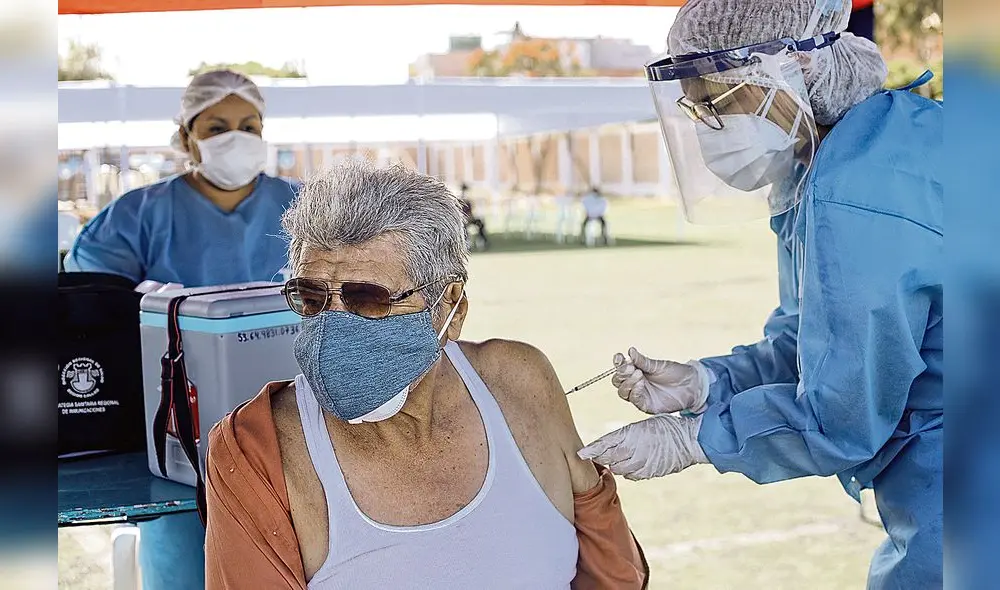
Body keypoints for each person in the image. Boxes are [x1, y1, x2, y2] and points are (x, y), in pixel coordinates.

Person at [578, 1, 942, 588]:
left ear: (796, 69)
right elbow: (819, 337)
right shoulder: (872, 146)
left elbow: (841, 417)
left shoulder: (852, 195)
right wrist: (708, 381)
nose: (705, 127)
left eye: (719, 101)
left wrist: (694, 437)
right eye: (693, 106)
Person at [203, 160, 648, 589]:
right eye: (311, 296)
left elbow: (614, 571)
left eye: (368, 299)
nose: (332, 326)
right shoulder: (257, 447)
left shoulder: (519, 380)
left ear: (450, 308)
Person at [65, 70, 299, 590]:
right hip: (176, 430)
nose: (236, 138)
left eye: (249, 124)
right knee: (181, 564)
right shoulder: (138, 217)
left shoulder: (309, 209)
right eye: (217, 126)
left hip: (292, 423)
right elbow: (87, 315)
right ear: (186, 135)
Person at [458, 182, 489, 249]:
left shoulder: (468, 201)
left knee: (480, 223)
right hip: (462, 220)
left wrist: (471, 217)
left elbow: (470, 212)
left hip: (469, 218)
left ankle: (482, 241)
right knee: (463, 227)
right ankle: (467, 244)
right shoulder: (459, 201)